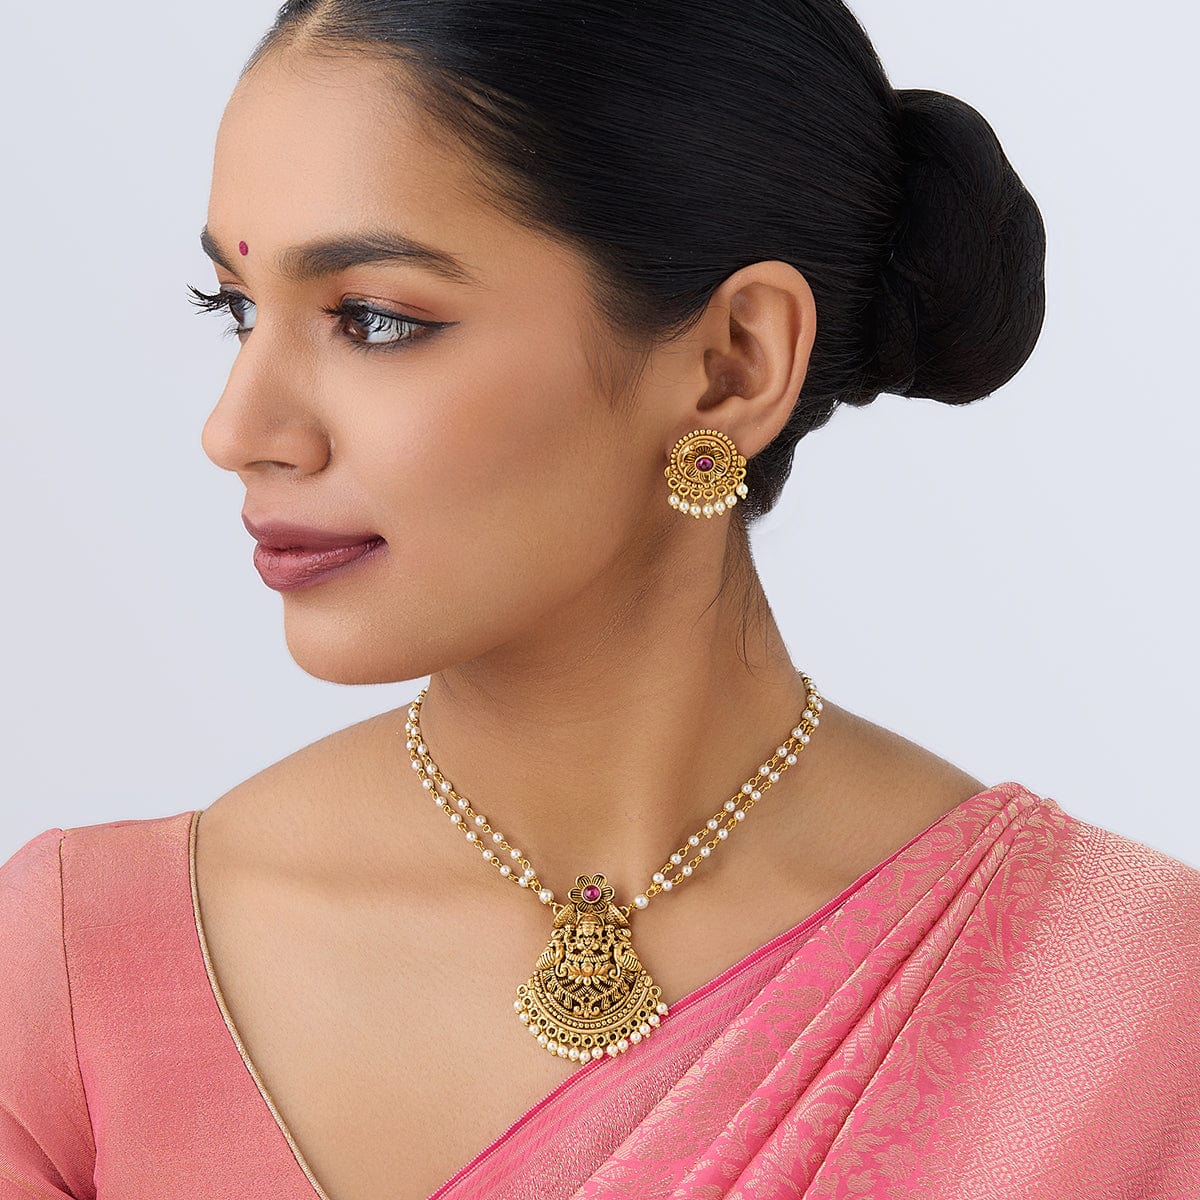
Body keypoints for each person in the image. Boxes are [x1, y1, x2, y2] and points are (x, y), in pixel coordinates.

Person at [2, 1, 1197, 1197]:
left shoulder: (1123, 1008)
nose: (235, 431)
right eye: (236, 309)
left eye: (375, 320)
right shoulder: (73, 976)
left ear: (732, 364)